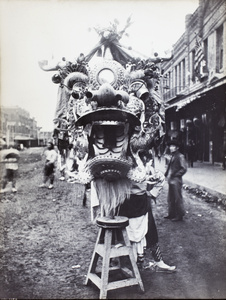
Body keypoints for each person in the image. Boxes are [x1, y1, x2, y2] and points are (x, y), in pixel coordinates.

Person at [117, 151, 176, 272]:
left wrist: (151, 191)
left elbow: (158, 179)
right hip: (125, 202)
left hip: (142, 202)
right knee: (123, 233)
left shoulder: (145, 163)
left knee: (150, 231)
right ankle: (125, 263)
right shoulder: (124, 158)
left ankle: (158, 261)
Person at [164, 140, 187, 221]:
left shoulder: (180, 156)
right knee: (170, 198)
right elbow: (169, 167)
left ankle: (179, 215)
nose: (171, 148)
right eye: (170, 146)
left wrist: (176, 174)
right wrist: (166, 174)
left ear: (177, 147)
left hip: (176, 180)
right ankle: (172, 214)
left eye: (173, 146)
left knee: (177, 198)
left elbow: (184, 169)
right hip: (171, 179)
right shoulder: (173, 156)